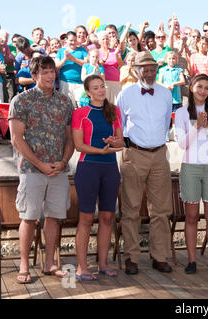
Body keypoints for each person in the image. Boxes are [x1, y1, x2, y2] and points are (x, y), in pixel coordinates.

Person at [9, 55, 74, 284]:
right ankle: (24, 265)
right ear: (34, 75)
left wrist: (64, 161)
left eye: (51, 71)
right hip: (31, 170)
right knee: (28, 218)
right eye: (44, 72)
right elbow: (17, 140)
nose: (49, 76)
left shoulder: (65, 102)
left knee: (54, 217)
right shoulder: (21, 100)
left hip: (58, 171)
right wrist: (40, 164)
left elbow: (70, 138)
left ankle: (50, 264)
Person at [116, 51, 173, 274]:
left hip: (160, 154)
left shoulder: (166, 94)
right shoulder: (125, 94)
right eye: (145, 70)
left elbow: (167, 122)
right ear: (136, 71)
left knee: (161, 209)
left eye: (153, 70)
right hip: (134, 154)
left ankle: (159, 256)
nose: (150, 74)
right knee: (131, 209)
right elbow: (118, 125)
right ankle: (131, 256)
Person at [72, 75, 123, 281]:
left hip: (110, 168)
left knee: (107, 217)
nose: (101, 90)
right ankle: (82, 268)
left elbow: (121, 143)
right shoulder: (80, 113)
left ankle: (103, 264)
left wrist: (113, 141)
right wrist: (100, 151)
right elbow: (78, 146)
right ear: (88, 93)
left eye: (102, 86)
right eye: (96, 88)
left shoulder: (115, 111)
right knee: (85, 218)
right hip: (88, 168)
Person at [174, 74, 208, 274]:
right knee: (192, 215)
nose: (203, 91)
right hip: (191, 167)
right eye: (199, 86)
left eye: (206, 87)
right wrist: (197, 127)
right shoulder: (180, 113)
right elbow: (183, 143)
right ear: (191, 87)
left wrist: (207, 128)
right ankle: (192, 260)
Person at [55, 31, 89, 107]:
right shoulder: (61, 51)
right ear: (66, 40)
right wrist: (65, 58)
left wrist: (73, 59)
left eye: (75, 40)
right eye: (71, 40)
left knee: (82, 106)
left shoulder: (82, 50)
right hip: (65, 83)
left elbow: (86, 63)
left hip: (80, 83)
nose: (73, 42)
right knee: (67, 107)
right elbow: (57, 66)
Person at [98, 31, 123, 104]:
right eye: (103, 39)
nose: (105, 41)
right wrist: (104, 59)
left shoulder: (115, 51)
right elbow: (96, 65)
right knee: (105, 105)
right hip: (103, 82)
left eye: (106, 39)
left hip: (116, 82)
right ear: (99, 41)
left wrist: (116, 55)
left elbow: (121, 65)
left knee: (117, 105)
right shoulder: (97, 52)